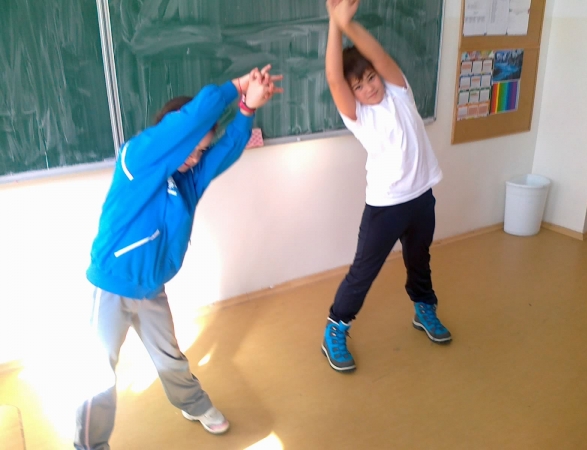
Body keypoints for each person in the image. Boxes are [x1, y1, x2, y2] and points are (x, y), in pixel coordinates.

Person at [74, 66, 282, 449]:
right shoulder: (137, 159)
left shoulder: (188, 180)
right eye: (190, 147)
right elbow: (187, 123)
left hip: (152, 289)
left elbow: (226, 150)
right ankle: (89, 444)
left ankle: (193, 404)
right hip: (112, 287)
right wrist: (236, 87)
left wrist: (247, 110)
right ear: (171, 137)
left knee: (169, 357)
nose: (195, 157)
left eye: (200, 150)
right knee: (99, 371)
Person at [321, 0, 451, 373]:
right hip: (386, 205)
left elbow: (378, 55)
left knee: (419, 258)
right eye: (359, 86)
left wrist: (350, 24)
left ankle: (423, 308)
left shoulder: (398, 91)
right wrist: (334, 25)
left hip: (421, 197)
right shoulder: (359, 116)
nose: (369, 88)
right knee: (364, 270)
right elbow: (335, 79)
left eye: (370, 78)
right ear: (353, 95)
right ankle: (336, 326)